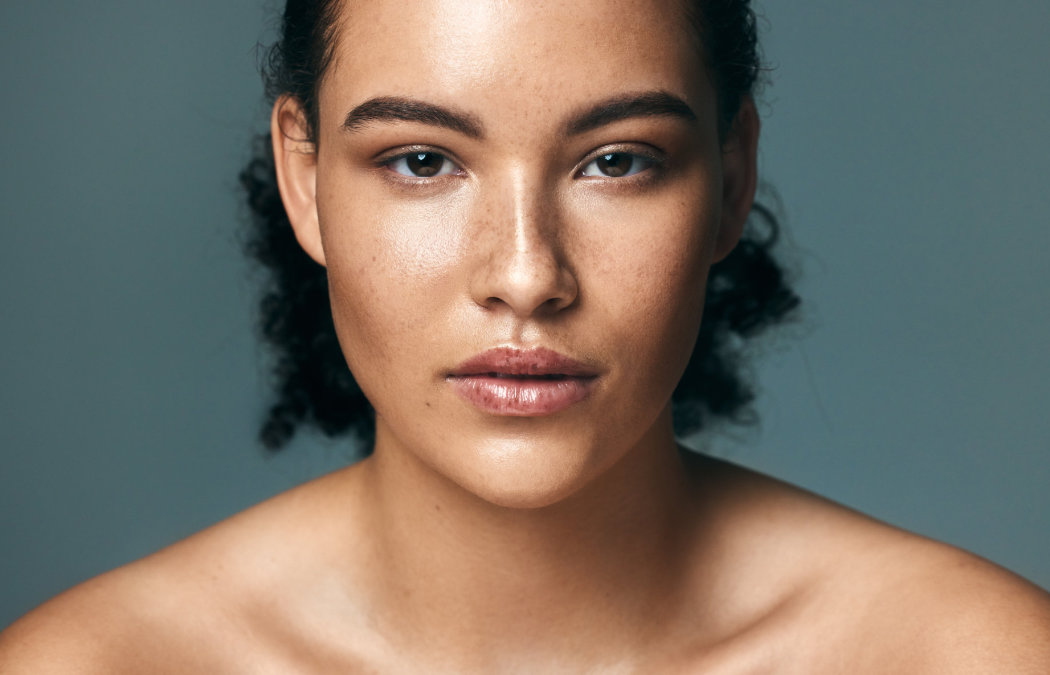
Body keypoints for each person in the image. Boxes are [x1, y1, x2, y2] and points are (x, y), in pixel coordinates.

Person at [2, 0, 1049, 671]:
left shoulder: (973, 657)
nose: (525, 275)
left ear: (730, 182)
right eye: (421, 161)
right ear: (302, 179)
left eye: (618, 160)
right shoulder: (92, 667)